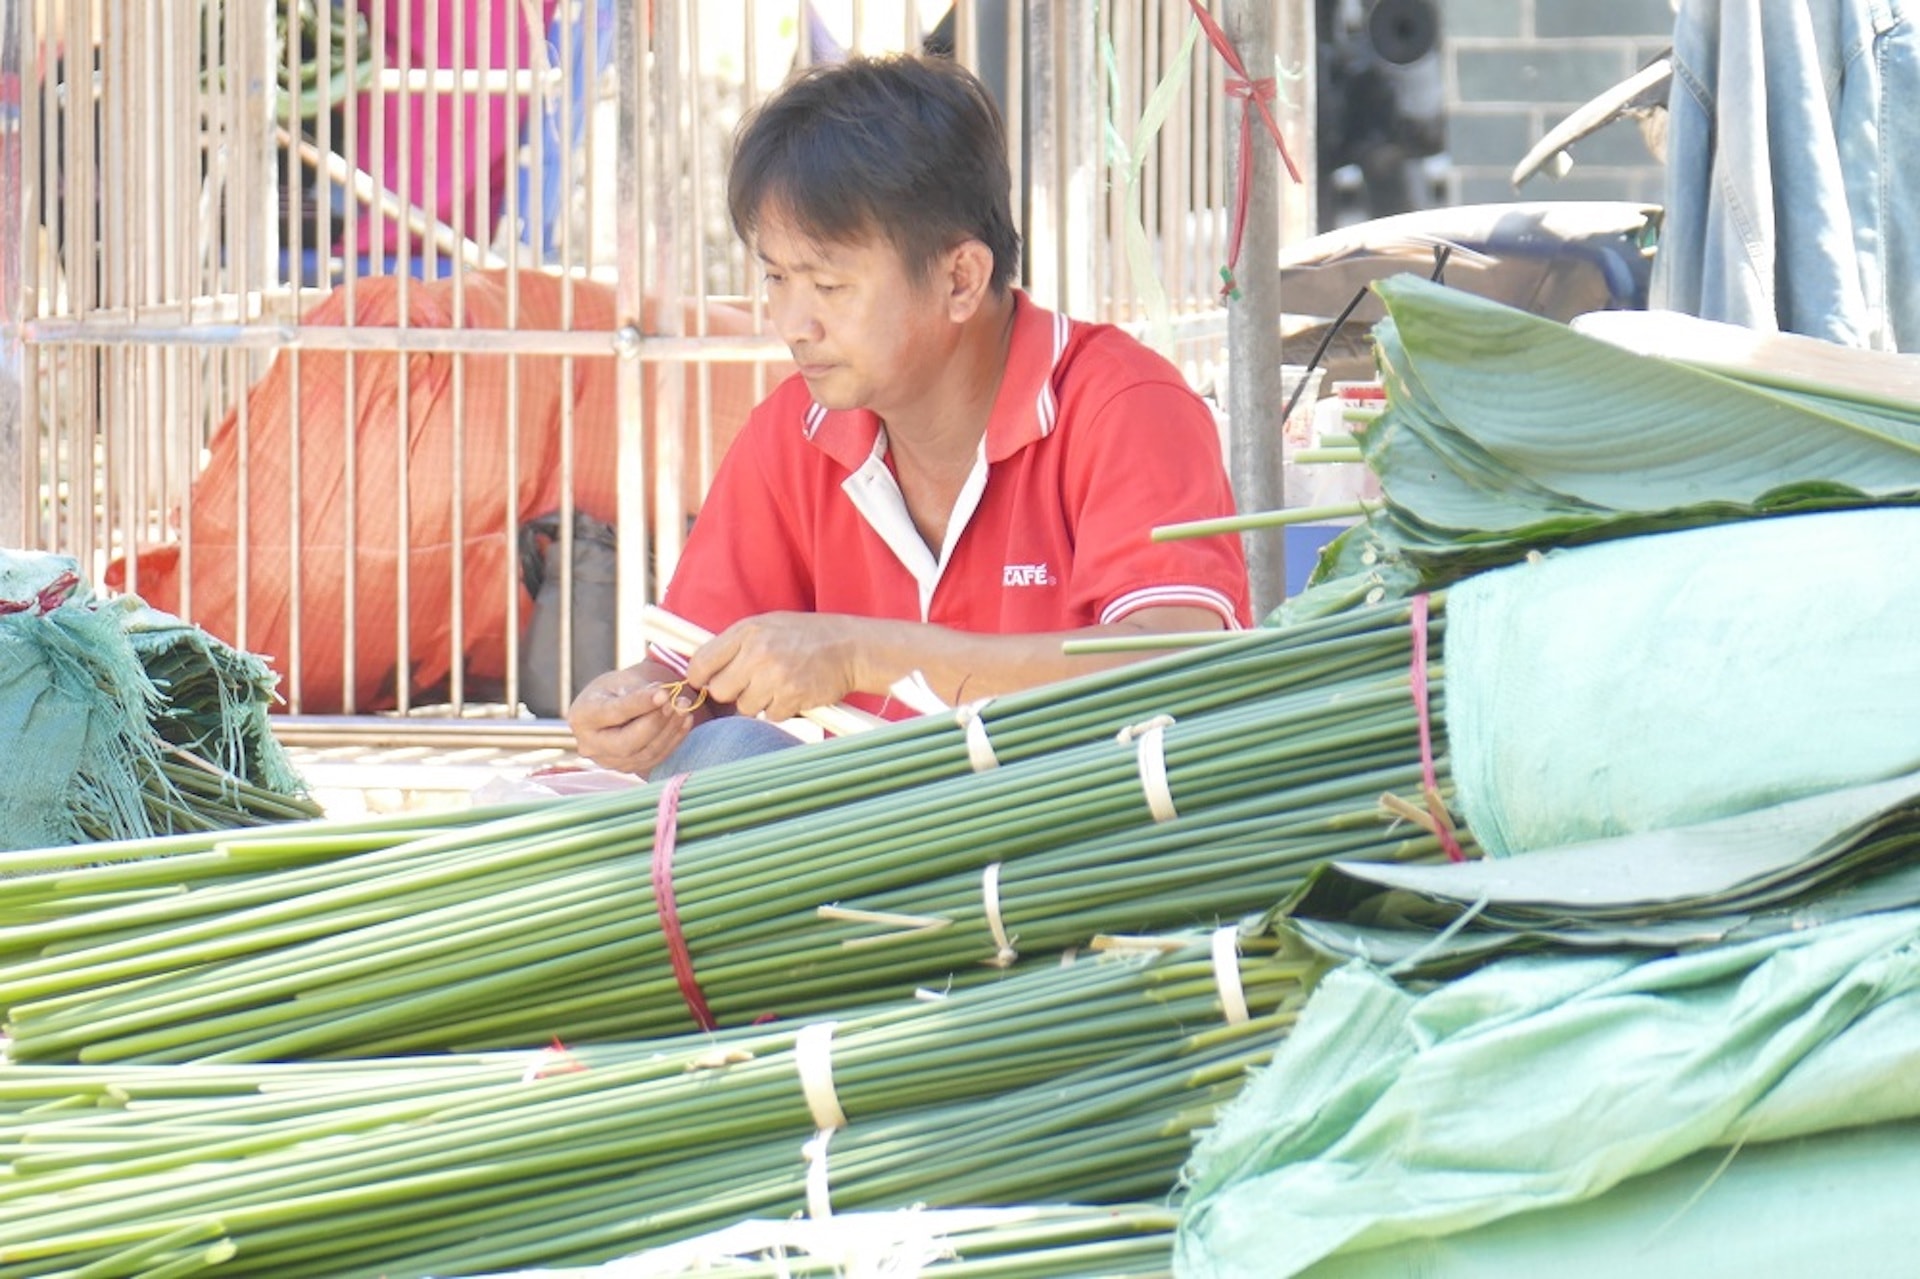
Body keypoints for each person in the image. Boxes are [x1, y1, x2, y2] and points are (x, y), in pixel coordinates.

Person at [569, 54, 1251, 778]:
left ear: (961, 278)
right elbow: (690, 676)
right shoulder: (792, 432)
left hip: (1073, 842)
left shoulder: (1124, 404)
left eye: (829, 283)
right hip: (869, 847)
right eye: (775, 277)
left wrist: (865, 654)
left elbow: (1171, 665)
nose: (793, 322)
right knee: (720, 756)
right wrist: (641, 703)